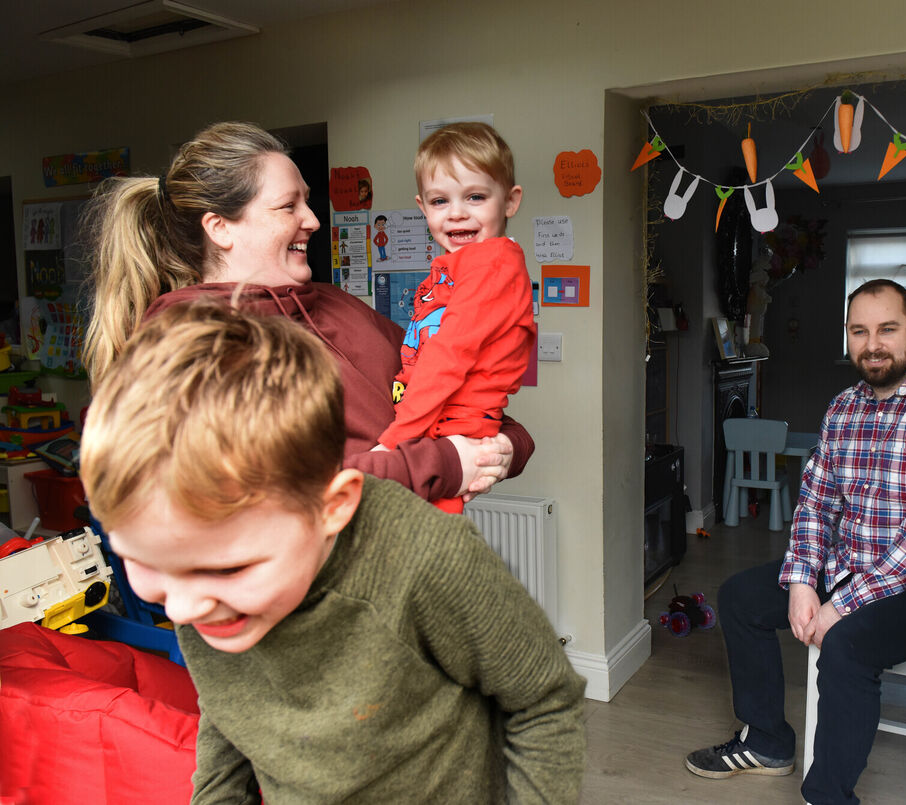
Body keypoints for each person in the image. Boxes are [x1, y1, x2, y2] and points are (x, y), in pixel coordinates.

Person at [79, 301, 586, 803]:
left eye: (229, 569)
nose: (182, 610)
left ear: (333, 507)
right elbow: (230, 701)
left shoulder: (428, 558)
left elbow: (544, 700)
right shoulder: (199, 582)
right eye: (142, 561)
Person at [82, 120, 530, 503]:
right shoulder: (193, 345)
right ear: (220, 228)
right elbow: (276, 492)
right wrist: (447, 463)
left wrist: (508, 446)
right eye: (288, 206)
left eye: (307, 201)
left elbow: (449, 386)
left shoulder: (338, 306)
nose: (314, 220)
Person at [685, 279, 906, 805]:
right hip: (851, 569)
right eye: (860, 331)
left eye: (887, 329)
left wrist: (840, 606)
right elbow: (815, 504)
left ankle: (828, 795)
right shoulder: (843, 409)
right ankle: (766, 742)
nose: (872, 344)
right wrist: (805, 581)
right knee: (740, 597)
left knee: (845, 644)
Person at [374, 122, 535, 513]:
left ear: (510, 202)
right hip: (431, 418)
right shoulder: (455, 266)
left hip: (447, 426)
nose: (457, 214)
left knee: (421, 536)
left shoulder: (491, 264)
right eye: (439, 201)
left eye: (475, 196)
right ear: (422, 207)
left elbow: (449, 355)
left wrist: (392, 442)